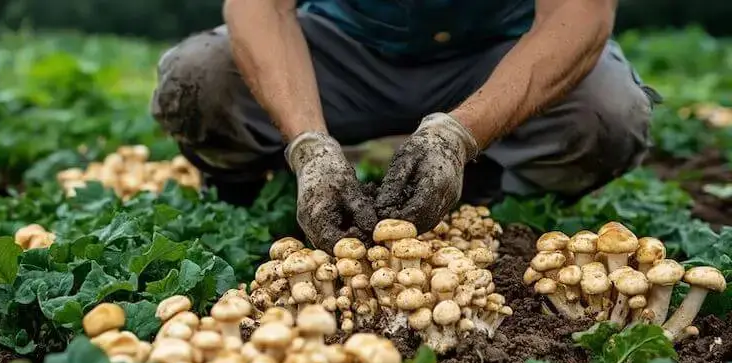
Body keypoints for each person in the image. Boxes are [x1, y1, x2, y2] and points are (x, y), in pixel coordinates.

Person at [150, 0, 660, 252]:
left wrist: (460, 136)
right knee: (199, 80)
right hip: (343, 45)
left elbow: (580, 14)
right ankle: (247, 188)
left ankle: (492, 200)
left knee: (608, 114)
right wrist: (309, 143)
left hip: (498, 49)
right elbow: (261, 7)